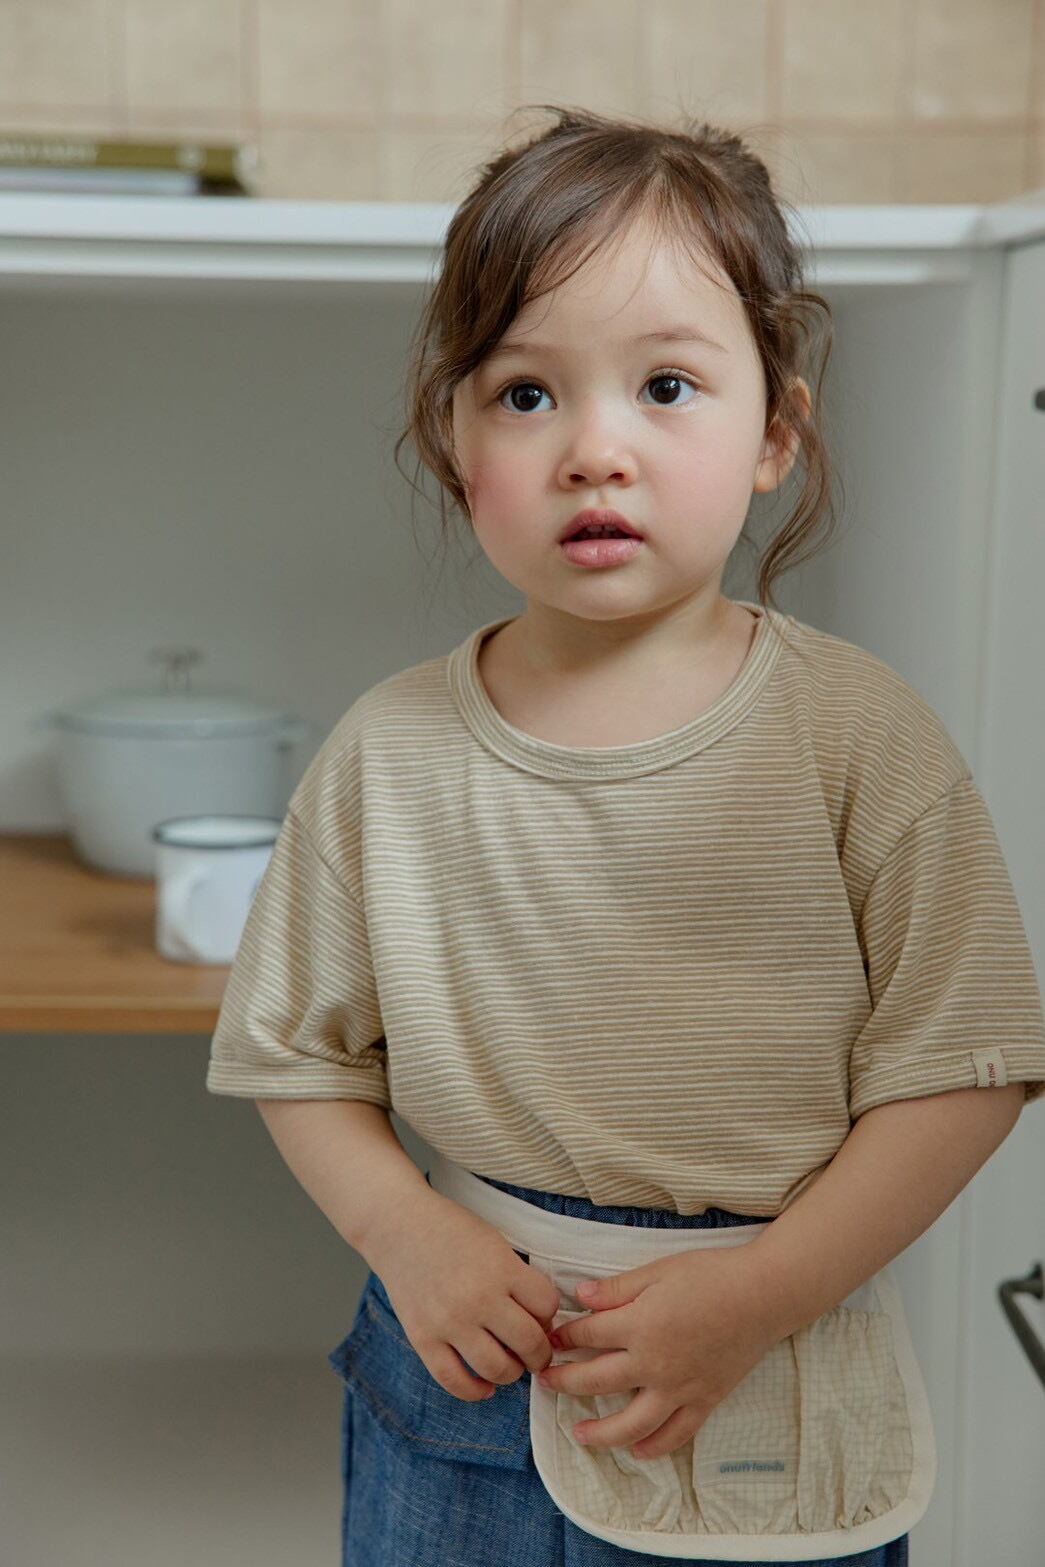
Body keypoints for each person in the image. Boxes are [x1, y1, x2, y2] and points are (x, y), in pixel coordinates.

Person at [205, 106, 1045, 1566]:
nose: (595, 450)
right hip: (466, 1375)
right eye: (526, 394)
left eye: (666, 386)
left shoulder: (858, 736)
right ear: (455, 438)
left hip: (767, 1359)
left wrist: (763, 1295)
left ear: (774, 431)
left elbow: (966, 1069)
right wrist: (409, 1237)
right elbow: (295, 1057)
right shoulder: (388, 753)